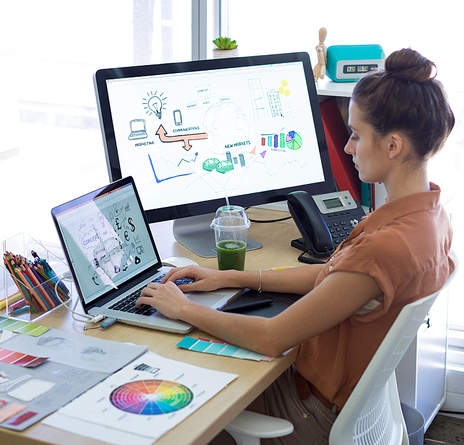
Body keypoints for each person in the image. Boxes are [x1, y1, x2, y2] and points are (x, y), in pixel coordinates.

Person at [137, 48, 455, 445]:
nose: (347, 147)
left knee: (167, 398)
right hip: (346, 404)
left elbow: (273, 338)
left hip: (309, 415)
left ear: (393, 146)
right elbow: (331, 276)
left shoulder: (387, 246)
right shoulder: (429, 217)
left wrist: (183, 308)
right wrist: (228, 277)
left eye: (356, 135)